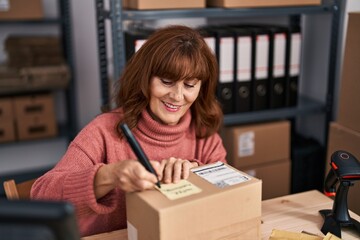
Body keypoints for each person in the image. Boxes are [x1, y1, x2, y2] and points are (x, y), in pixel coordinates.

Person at [31, 25, 227, 237]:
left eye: (189, 85)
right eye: (167, 81)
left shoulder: (204, 135)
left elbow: (227, 200)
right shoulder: (103, 131)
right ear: (145, 79)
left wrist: (195, 173)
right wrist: (109, 175)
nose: (178, 96)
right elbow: (42, 197)